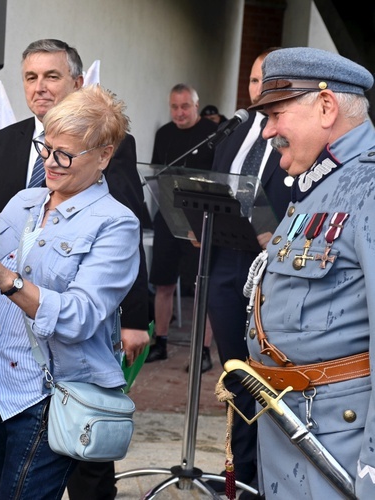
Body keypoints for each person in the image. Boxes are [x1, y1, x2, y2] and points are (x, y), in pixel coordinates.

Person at [0, 38, 151, 499]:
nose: (50, 163)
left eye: (65, 155)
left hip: (49, 393)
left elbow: (79, 317)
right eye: (46, 149)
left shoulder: (115, 222)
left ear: (104, 156)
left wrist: (8, 280)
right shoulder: (24, 200)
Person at [243, 47, 375, 498]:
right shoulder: (319, 186)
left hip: (339, 448)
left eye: (276, 114)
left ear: (325, 107)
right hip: (293, 430)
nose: (267, 131)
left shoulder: (369, 186)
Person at [205, 47, 290, 494]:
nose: (260, 90)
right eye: (256, 81)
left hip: (273, 266)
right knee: (236, 372)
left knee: (267, 373)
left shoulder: (295, 135)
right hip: (225, 261)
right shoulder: (233, 133)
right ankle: (239, 473)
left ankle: (268, 474)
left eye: (270, 80)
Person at [146, 83, 217, 371]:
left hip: (200, 221)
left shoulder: (212, 135)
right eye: (174, 107)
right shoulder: (163, 134)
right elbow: (155, 173)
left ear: (196, 106)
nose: (179, 112)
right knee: (162, 282)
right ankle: (160, 342)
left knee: (202, 287)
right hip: (167, 216)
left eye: (185, 106)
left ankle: (203, 351)